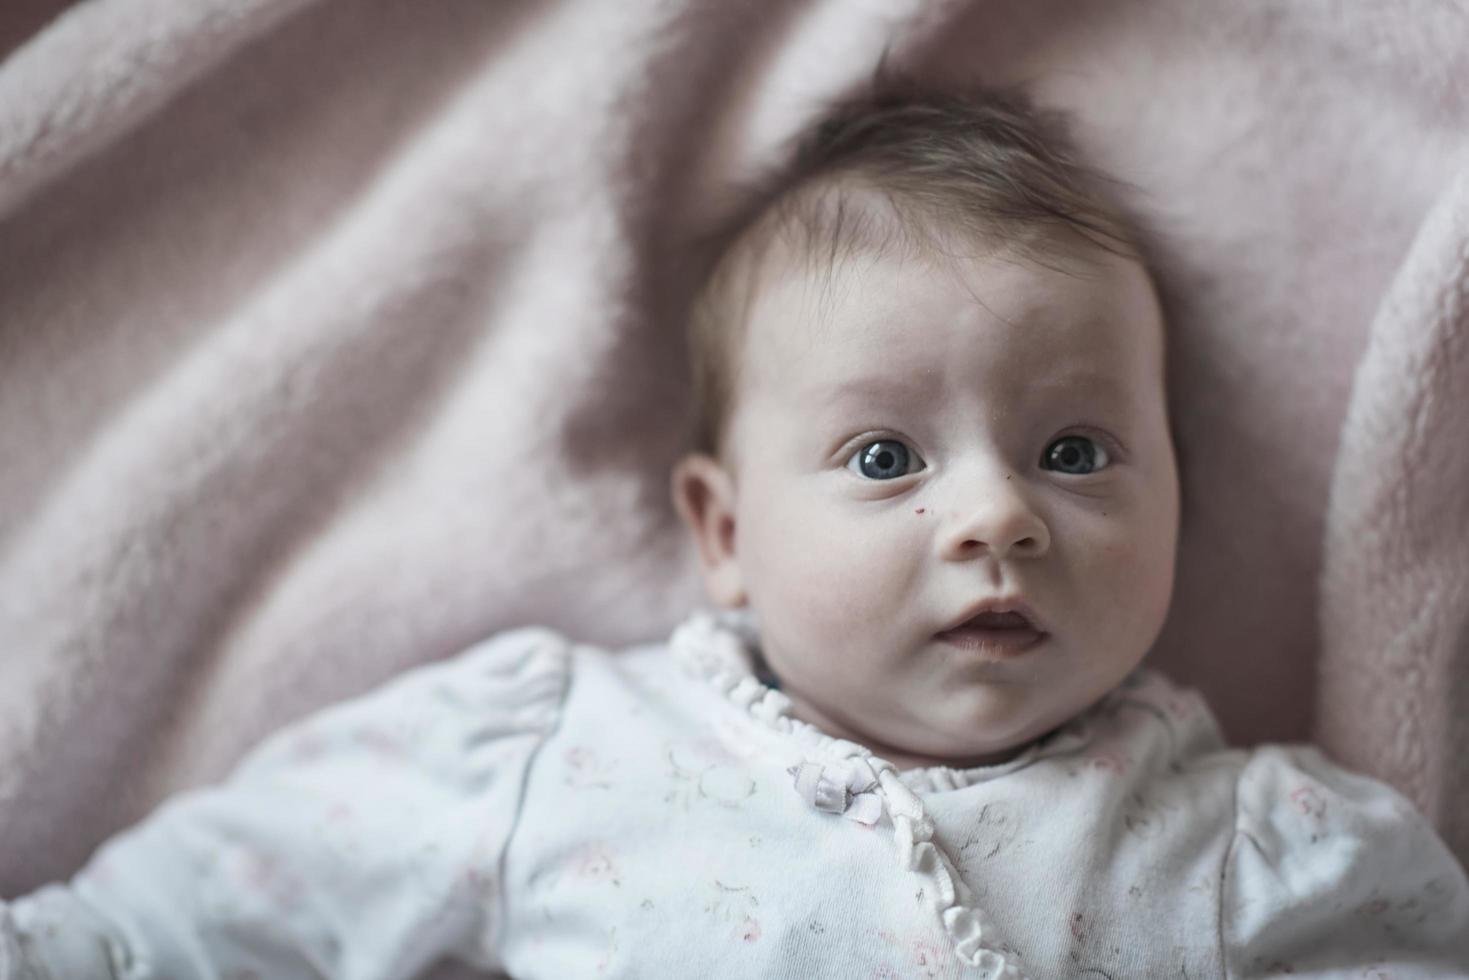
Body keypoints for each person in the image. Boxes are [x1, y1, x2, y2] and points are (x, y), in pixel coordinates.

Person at [4, 84, 1467, 980]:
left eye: (1074, 452)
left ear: (1176, 501)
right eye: (884, 456)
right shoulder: (556, 755)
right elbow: (209, 911)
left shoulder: (1258, 852)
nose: (998, 515)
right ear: (724, 531)